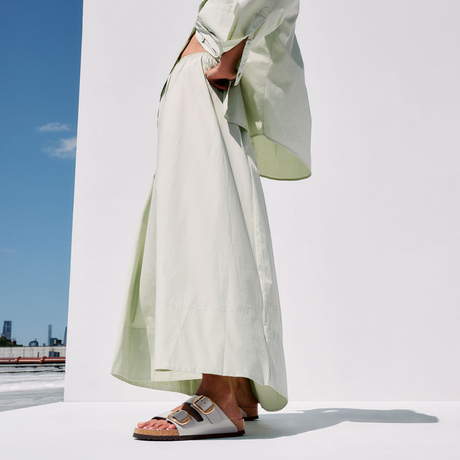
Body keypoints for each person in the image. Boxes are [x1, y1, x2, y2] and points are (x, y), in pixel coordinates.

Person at [110, 0, 312, 441]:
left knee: (206, 228)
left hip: (205, 77)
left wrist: (228, 53)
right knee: (206, 220)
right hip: (202, 78)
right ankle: (237, 385)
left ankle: (218, 393)